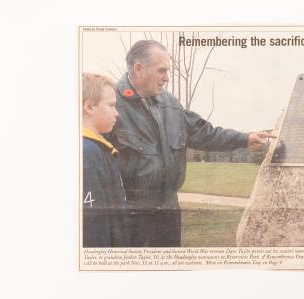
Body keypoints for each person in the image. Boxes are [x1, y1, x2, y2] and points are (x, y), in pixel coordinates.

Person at [106, 40, 275, 247]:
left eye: (168, 71)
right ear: (139, 69)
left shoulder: (171, 104)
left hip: (169, 214)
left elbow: (206, 134)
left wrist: (245, 138)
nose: (167, 78)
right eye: (161, 71)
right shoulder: (110, 104)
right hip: (131, 217)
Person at [82, 73, 129, 247]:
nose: (117, 113)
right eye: (112, 105)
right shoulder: (87, 153)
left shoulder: (99, 148)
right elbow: (93, 226)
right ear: (89, 107)